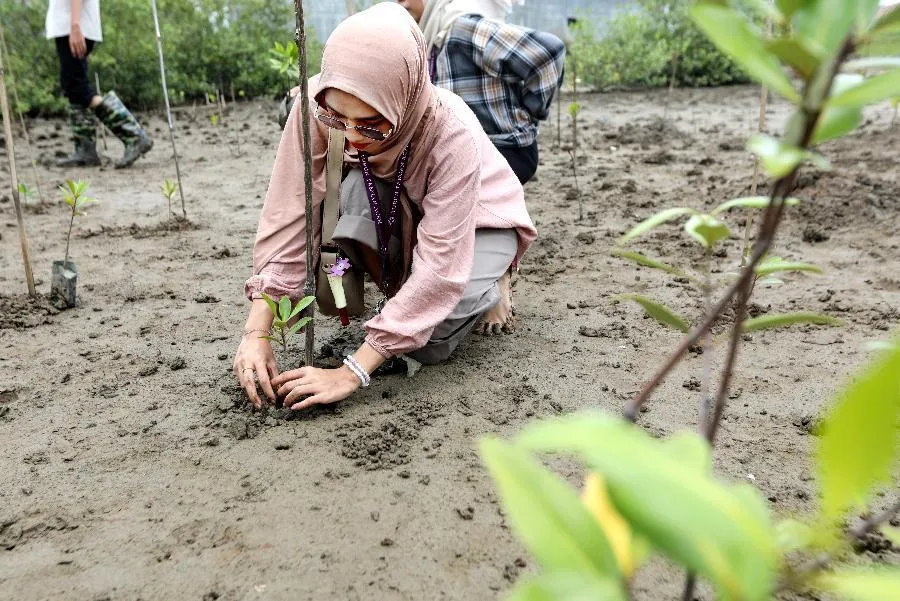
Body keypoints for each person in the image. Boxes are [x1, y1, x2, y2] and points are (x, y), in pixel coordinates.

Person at [233, 2, 536, 411]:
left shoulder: (450, 132)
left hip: (480, 217)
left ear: (404, 98)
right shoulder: (317, 106)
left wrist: (352, 371)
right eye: (338, 120)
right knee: (355, 206)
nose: (353, 136)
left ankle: (494, 278)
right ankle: (403, 301)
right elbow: (288, 216)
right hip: (396, 199)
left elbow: (440, 270)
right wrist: (258, 334)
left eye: (372, 125)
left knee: (433, 338)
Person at [397, 0, 565, 184]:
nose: (400, 4)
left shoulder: (462, 27)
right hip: (473, 151)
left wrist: (529, 113)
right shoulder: (437, 33)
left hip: (501, 148)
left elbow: (549, 52)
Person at [46, 0, 153, 168]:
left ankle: (134, 135)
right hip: (71, 25)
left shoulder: (73, 25)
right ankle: (85, 150)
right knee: (74, 88)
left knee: (77, 87)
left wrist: (74, 25)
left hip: (74, 26)